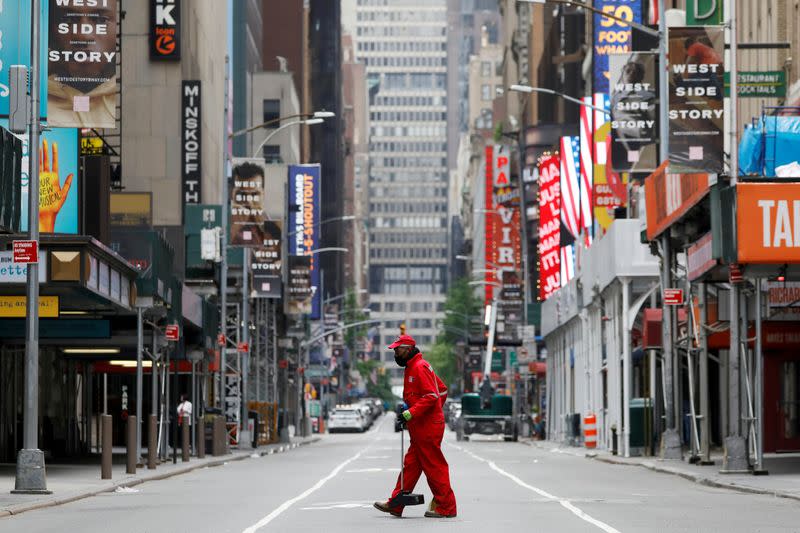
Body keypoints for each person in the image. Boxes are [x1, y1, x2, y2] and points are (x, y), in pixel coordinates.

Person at [374, 334, 457, 518]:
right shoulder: (413, 367)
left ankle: (446, 507)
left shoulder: (420, 367)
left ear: (408, 349)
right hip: (421, 426)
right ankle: (396, 503)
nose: (395, 353)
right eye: (394, 349)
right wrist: (423, 412)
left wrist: (414, 412)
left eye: (398, 349)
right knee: (411, 465)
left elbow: (431, 396)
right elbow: (441, 390)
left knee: (434, 466)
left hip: (427, 428)